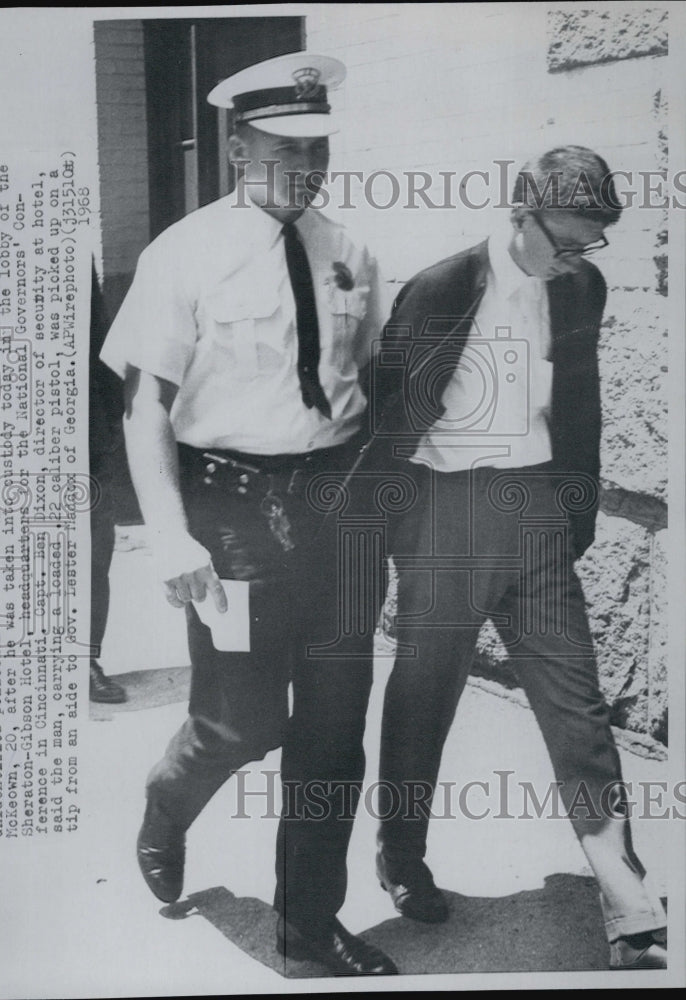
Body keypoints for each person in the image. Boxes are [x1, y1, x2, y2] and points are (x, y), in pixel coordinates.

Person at [100, 52, 397, 977]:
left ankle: (309, 921)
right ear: (236, 147)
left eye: (318, 151)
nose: (305, 171)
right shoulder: (183, 253)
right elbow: (144, 405)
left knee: (334, 730)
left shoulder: (352, 251)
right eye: (282, 150)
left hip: (338, 515)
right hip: (228, 517)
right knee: (242, 721)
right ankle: (165, 800)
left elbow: (367, 388)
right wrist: (171, 531)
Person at [355, 146, 667, 971]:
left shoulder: (582, 288)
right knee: (426, 696)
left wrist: (572, 515)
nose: (574, 258)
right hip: (445, 512)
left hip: (534, 513)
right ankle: (402, 855)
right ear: (519, 215)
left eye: (588, 245)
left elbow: (584, 402)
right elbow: (387, 418)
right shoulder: (440, 287)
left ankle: (629, 903)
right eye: (563, 240)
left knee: (578, 705)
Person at [89, 260, 128, 704]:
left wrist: (110, 422)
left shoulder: (71, 250)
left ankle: (84, 659)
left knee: (94, 545)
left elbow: (98, 339)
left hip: (82, 431)